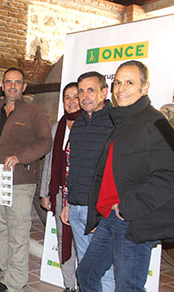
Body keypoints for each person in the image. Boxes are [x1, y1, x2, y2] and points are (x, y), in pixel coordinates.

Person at [77, 61, 174, 291]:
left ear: (145, 87)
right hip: (112, 216)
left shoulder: (157, 123)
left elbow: (170, 176)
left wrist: (127, 208)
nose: (121, 88)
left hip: (134, 220)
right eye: (118, 82)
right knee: (87, 273)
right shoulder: (121, 121)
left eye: (129, 83)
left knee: (127, 286)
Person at [0, 68, 52, 292]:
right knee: (0, 231)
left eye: (17, 83)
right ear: (3, 86)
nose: (13, 86)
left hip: (21, 181)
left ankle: (15, 285)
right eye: (9, 82)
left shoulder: (33, 113)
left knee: (17, 232)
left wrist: (20, 156)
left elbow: (46, 142)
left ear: (24, 87)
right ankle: (7, 280)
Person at [62, 71, 115, 291]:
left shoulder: (115, 124)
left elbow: (117, 173)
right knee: (85, 268)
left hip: (102, 211)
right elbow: (71, 167)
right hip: (77, 208)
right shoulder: (78, 125)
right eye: (81, 91)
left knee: (106, 271)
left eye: (91, 90)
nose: (84, 96)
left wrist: (101, 211)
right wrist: (67, 203)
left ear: (104, 92)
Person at [40, 82, 81, 292]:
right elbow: (49, 161)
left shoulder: (89, 123)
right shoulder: (58, 126)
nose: (72, 101)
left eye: (76, 96)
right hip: (59, 193)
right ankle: (69, 286)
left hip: (81, 196)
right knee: (63, 240)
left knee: (82, 242)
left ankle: (85, 284)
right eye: (67, 97)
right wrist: (45, 193)